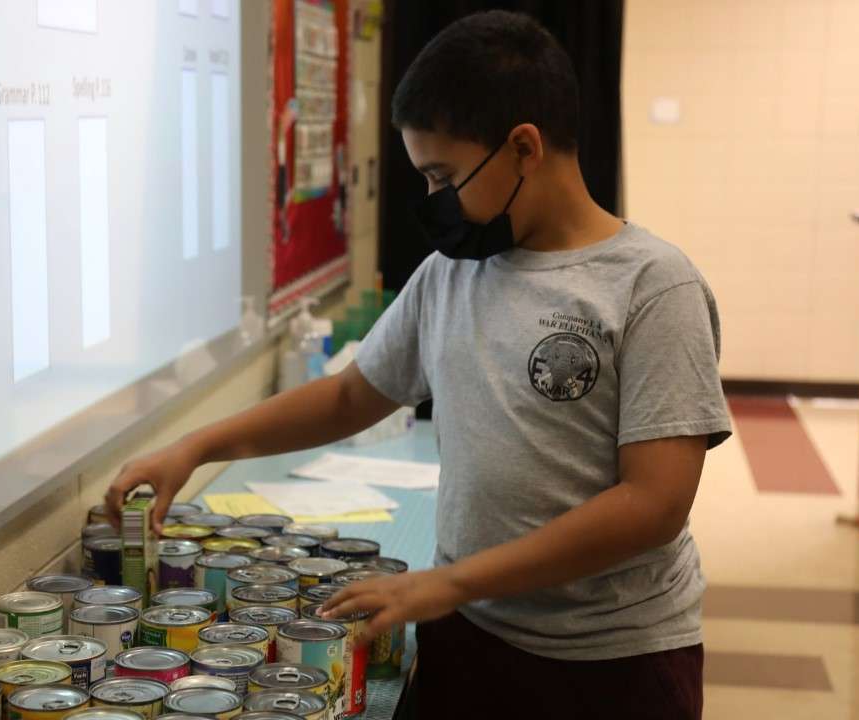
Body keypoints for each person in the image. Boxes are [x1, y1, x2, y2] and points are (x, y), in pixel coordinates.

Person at [107, 10, 729, 718]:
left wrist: (454, 582)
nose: (434, 201)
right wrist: (195, 445)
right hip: (472, 632)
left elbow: (653, 503)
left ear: (524, 147)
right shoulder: (450, 276)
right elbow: (349, 398)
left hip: (611, 658)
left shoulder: (651, 285)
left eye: (445, 175)